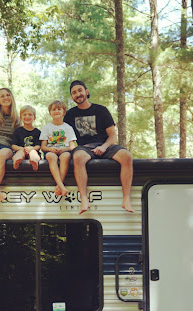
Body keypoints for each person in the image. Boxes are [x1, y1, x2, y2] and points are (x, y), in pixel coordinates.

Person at [64, 80, 134, 214]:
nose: (78, 94)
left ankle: (126, 199)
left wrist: (103, 147)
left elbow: (113, 136)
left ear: (86, 92)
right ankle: (84, 199)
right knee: (78, 157)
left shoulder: (101, 110)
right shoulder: (69, 115)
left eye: (80, 90)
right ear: (72, 97)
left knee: (127, 156)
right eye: (74, 93)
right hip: (84, 148)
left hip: (105, 145)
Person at [40, 100, 77, 197]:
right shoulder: (47, 127)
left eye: (59, 109)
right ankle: (61, 186)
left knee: (65, 157)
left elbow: (72, 146)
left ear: (64, 112)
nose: (56, 111)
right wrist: (50, 149)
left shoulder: (68, 128)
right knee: (52, 157)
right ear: (50, 113)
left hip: (64, 150)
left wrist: (65, 149)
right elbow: (43, 147)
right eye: (54, 109)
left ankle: (59, 185)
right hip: (50, 151)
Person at [11, 105, 42, 171]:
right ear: (21, 117)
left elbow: (38, 146)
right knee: (19, 153)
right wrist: (22, 149)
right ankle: (16, 161)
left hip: (33, 150)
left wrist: (32, 148)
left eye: (30, 115)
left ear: (34, 118)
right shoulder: (17, 131)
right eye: (24, 114)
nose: (27, 116)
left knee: (33, 153)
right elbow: (13, 145)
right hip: (21, 150)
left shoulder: (37, 132)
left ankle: (34, 161)